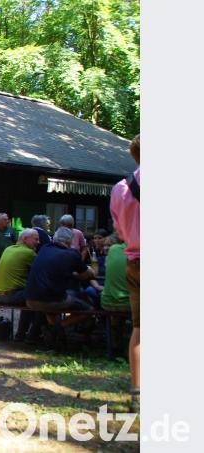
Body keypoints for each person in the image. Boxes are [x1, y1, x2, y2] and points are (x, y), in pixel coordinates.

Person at [24, 227, 96, 346]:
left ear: (54, 239)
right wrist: (89, 271)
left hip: (30, 298)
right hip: (51, 300)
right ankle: (56, 328)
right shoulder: (72, 254)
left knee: (54, 301)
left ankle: (55, 339)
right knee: (89, 309)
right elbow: (85, 276)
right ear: (70, 241)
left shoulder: (44, 248)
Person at [110, 133, 140, 412]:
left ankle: (137, 395)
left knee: (140, 330)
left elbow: (120, 231)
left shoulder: (121, 188)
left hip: (135, 261)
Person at [0, 228, 41, 342]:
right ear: (25, 239)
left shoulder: (9, 249)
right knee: (40, 299)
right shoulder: (29, 253)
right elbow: (42, 270)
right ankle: (33, 335)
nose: (38, 242)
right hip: (10, 296)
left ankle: (21, 334)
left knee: (28, 295)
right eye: (36, 239)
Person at [0, 212, 17, 288]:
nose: (7, 221)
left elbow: (17, 243)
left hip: (9, 259)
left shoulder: (11, 230)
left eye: (7, 219)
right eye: (5, 219)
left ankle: (7, 294)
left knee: (8, 276)